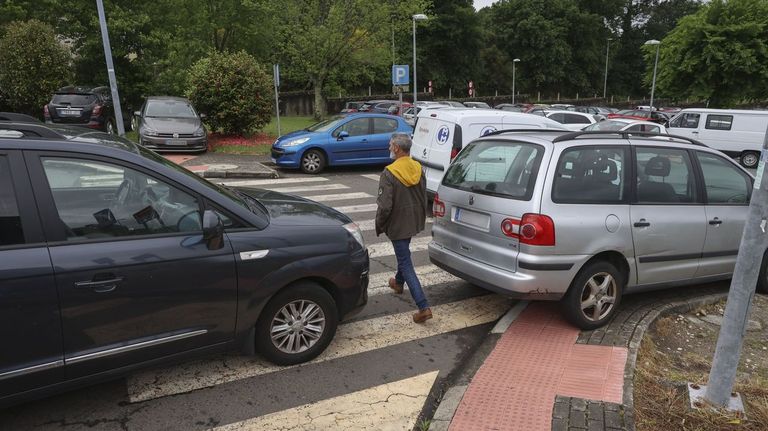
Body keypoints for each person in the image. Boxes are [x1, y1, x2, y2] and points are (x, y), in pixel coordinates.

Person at [375, 133, 432, 323]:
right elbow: (424, 196)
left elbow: (384, 206)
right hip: (412, 220)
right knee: (403, 253)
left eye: (391, 145)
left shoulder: (389, 172)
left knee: (406, 263)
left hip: (398, 224)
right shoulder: (418, 168)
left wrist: (380, 224)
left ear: (397, 149)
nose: (389, 148)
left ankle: (423, 307)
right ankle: (398, 283)